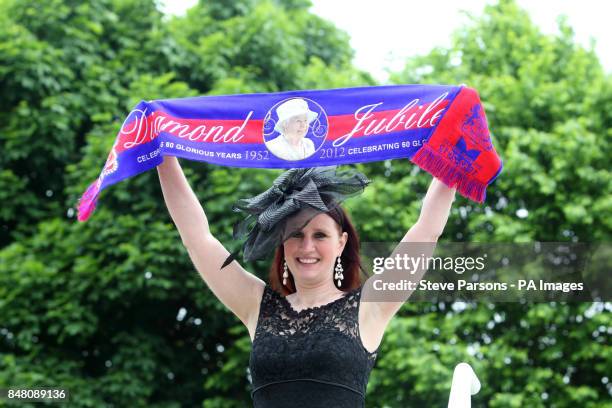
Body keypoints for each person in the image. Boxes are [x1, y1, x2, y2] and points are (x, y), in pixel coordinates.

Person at [157, 158, 456, 407]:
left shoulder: (371, 305)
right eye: (296, 234)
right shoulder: (256, 305)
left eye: (320, 235)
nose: (307, 246)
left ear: (341, 243)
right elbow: (196, 237)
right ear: (282, 245)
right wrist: (163, 154)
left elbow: (426, 230)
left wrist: (454, 147)